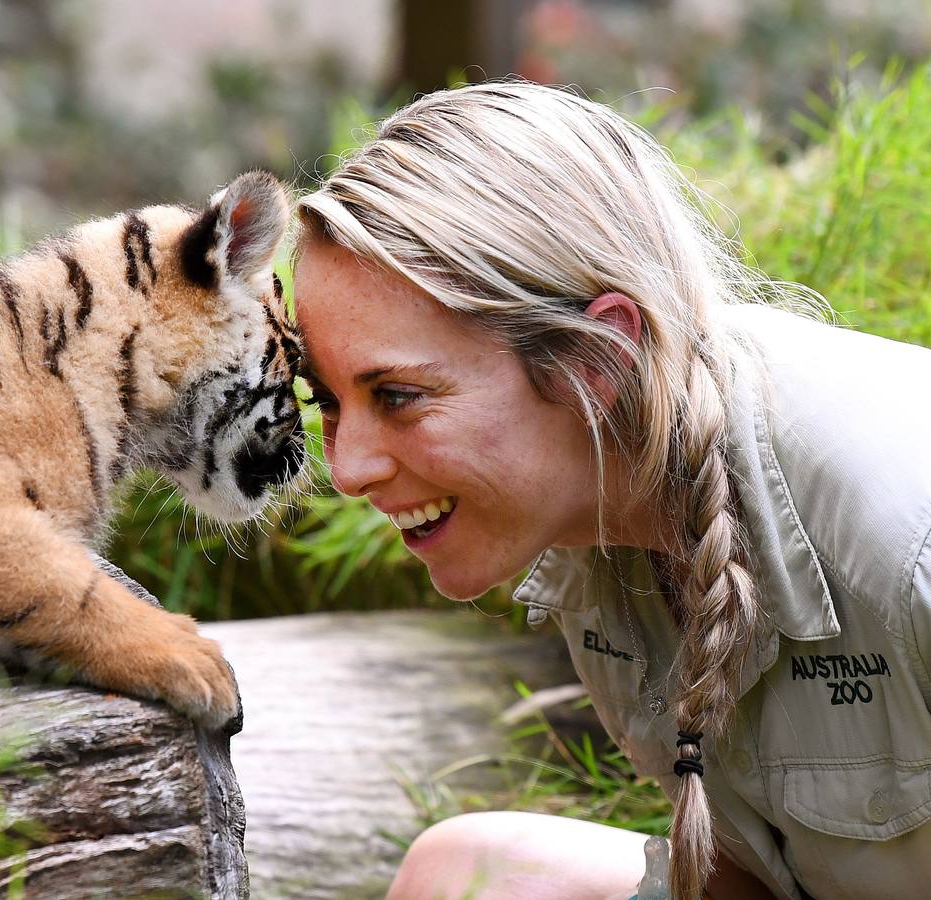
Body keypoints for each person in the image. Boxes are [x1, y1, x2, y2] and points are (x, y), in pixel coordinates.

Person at [290, 81, 931, 900]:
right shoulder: (590, 512)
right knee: (466, 875)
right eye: (331, 402)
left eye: (399, 397)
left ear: (596, 359)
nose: (348, 469)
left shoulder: (906, 527)